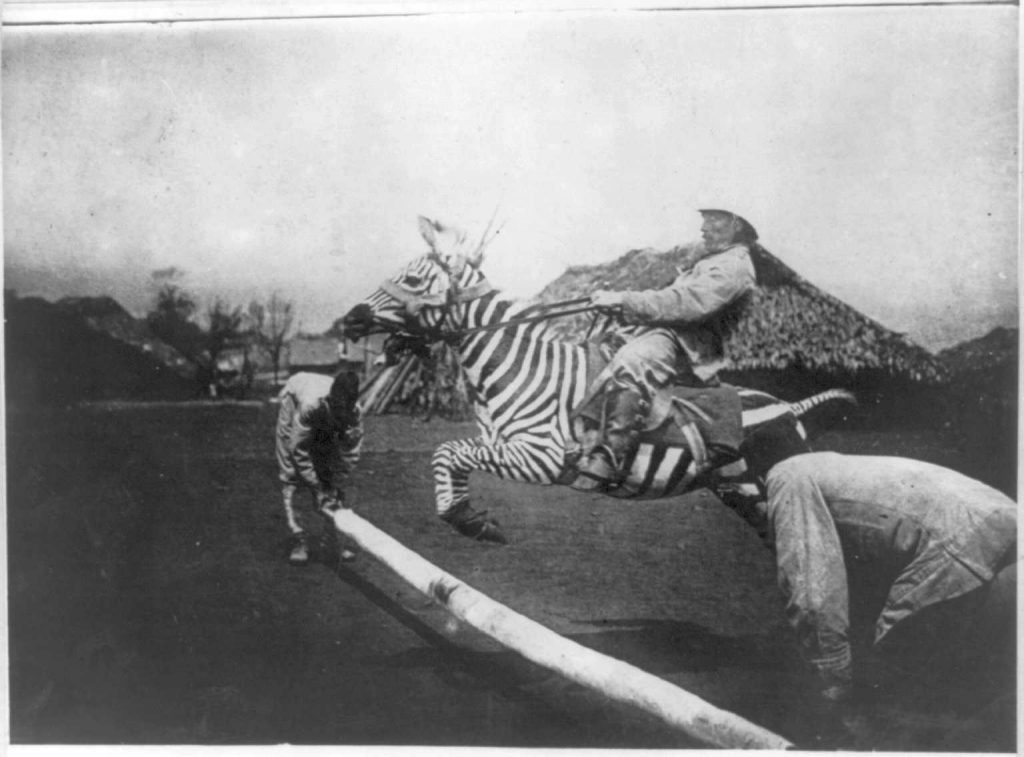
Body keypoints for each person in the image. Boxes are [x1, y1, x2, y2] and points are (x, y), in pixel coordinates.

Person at [719, 452, 1017, 705]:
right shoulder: (832, 468)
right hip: (1003, 524)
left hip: (962, 543)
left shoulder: (788, 478)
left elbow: (812, 591)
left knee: (887, 693)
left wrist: (833, 679)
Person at [574, 208, 758, 489]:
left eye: (711, 221)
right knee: (592, 352)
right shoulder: (713, 260)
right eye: (703, 221)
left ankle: (611, 455)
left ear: (734, 224)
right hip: (665, 333)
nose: (703, 229)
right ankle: (579, 435)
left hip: (688, 346)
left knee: (632, 360)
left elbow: (686, 302)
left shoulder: (734, 265)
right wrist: (619, 309)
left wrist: (624, 299)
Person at [275, 371, 364, 565]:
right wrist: (316, 486)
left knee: (334, 480)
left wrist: (335, 484)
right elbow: (298, 450)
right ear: (330, 402)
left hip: (322, 412)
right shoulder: (310, 405)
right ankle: (300, 539)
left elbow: (349, 454)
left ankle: (332, 539)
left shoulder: (355, 412)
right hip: (295, 400)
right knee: (291, 474)